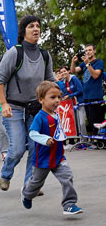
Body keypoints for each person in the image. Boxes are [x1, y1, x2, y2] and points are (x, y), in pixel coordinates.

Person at [0, 15, 55, 192]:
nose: (35, 29)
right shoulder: (14, 52)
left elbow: (49, 79)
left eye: (38, 26)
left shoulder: (44, 55)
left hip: (35, 109)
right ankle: (6, 174)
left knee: (36, 148)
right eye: (31, 26)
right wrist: (3, 104)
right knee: (18, 148)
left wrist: (57, 94)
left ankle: (30, 185)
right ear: (23, 31)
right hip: (13, 108)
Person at [21, 81, 83, 215]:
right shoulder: (39, 117)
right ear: (41, 99)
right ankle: (26, 194)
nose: (57, 100)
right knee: (36, 183)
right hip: (43, 159)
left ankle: (69, 204)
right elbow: (32, 133)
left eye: (59, 97)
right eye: (52, 97)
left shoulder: (56, 115)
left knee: (67, 177)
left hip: (58, 156)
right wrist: (45, 139)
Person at [70, 44, 105, 134]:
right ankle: (95, 142)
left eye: (89, 50)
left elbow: (95, 75)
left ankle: (101, 141)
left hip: (96, 96)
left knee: (97, 120)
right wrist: (73, 62)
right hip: (86, 96)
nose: (87, 52)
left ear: (94, 51)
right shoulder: (84, 64)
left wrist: (88, 64)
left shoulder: (99, 62)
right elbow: (73, 71)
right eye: (86, 51)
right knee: (90, 120)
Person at [59, 66, 86, 138]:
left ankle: (84, 141)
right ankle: (79, 141)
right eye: (61, 72)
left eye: (64, 71)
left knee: (82, 123)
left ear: (68, 71)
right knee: (76, 124)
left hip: (80, 103)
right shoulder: (64, 82)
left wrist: (70, 95)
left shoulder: (74, 78)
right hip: (72, 105)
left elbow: (81, 90)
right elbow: (65, 94)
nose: (63, 73)